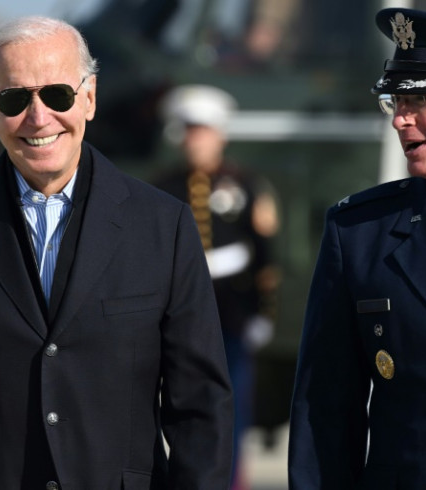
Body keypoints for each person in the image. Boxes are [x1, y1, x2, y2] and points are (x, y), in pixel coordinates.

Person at [0, 16, 234, 489]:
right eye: (16, 99)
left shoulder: (165, 226)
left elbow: (201, 408)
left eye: (57, 95)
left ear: (89, 98)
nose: (39, 118)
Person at [289, 7, 426, 488]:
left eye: (420, 100)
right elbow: (324, 406)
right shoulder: (359, 231)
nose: (401, 121)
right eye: (396, 103)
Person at [153, 85, 280, 490]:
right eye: (190, 131)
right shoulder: (162, 187)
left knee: (231, 405)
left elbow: (265, 255)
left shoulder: (244, 186)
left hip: (231, 316)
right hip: (179, 318)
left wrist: (263, 312)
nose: (196, 140)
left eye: (204, 131)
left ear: (220, 135)